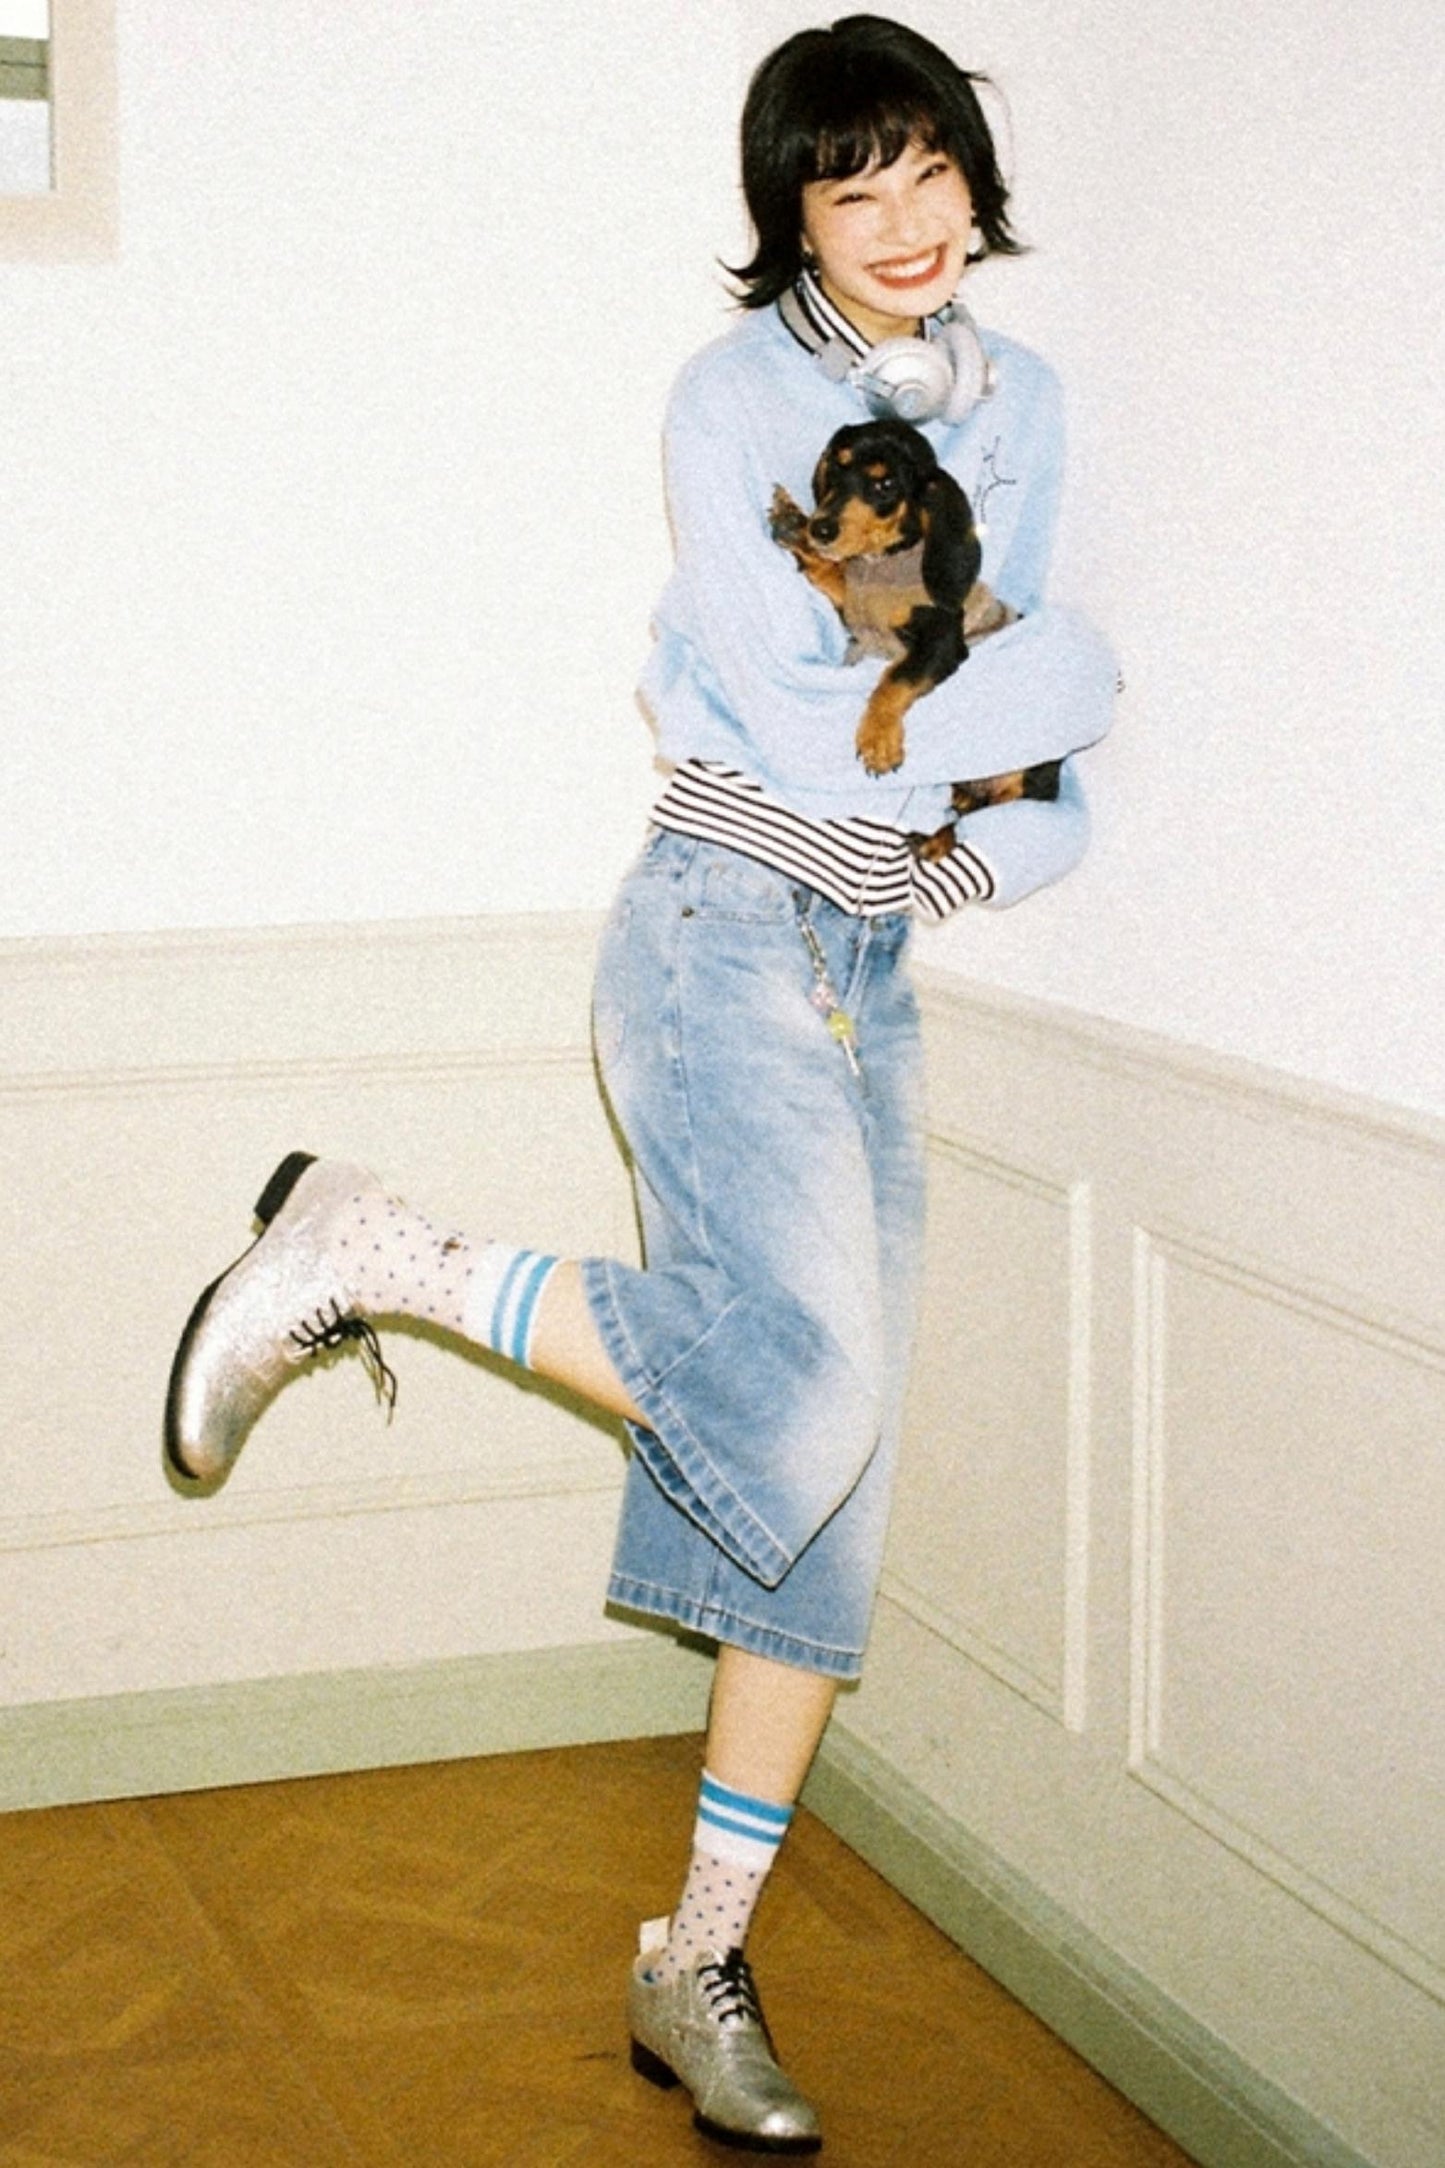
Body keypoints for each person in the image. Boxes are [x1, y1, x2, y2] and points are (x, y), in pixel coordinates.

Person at [164, 15, 1115, 2154]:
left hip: (869, 961)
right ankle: (375, 1253)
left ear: (974, 180)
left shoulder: (1026, 404)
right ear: (793, 216)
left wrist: (982, 746)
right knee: (803, 1394)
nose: (904, 221)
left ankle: (696, 1962)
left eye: (929, 172)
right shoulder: (732, 397)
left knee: (827, 1485)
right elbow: (805, 724)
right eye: (852, 187)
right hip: (719, 926)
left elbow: (1029, 741)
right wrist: (1013, 676)